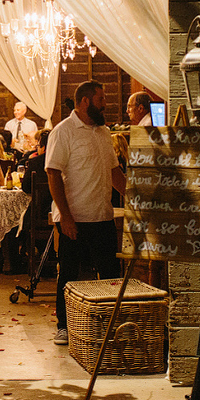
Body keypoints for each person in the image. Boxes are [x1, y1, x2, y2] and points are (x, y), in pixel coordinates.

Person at [45, 80, 126, 346]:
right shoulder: (63, 131)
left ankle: (109, 325)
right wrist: (65, 216)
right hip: (74, 217)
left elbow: (114, 172)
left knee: (110, 274)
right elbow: (53, 173)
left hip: (102, 214)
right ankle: (64, 326)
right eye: (101, 99)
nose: (106, 104)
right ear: (85, 102)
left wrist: (136, 198)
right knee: (69, 274)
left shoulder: (103, 133)